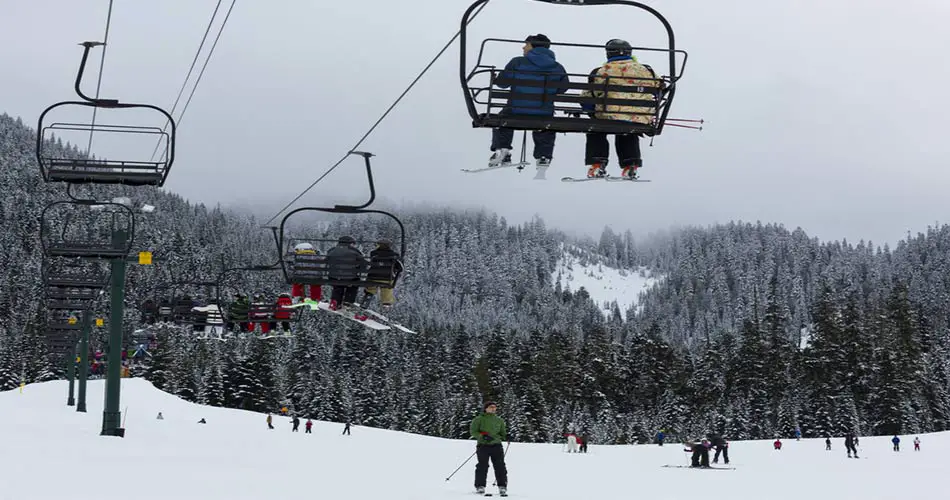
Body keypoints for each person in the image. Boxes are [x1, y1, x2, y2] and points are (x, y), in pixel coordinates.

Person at [579, 39, 660, 180]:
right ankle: (630, 166)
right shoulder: (647, 70)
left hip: (609, 116)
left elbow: (588, 96)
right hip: (640, 117)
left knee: (596, 130)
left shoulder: (602, 71)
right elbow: (660, 88)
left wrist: (590, 111)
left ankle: (598, 164)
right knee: (628, 130)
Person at [487, 34, 568, 170]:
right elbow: (563, 88)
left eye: (526, 44)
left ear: (533, 46)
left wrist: (496, 78)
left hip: (515, 110)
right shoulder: (557, 67)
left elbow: (502, 84)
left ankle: (502, 149)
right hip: (544, 111)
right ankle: (543, 156)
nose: (523, 47)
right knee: (546, 124)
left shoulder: (517, 62)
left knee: (502, 119)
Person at [471, 401, 508, 496]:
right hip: (483, 446)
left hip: (497, 446)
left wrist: (507, 436)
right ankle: (480, 486)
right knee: (482, 466)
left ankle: (502, 486)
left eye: (495, 407)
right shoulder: (478, 419)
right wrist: (482, 436)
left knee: (500, 466)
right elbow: (473, 431)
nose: (493, 409)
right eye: (491, 407)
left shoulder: (499, 420)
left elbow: (502, 433)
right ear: (486, 408)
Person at [360, 238, 404, 310]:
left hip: (373, 278)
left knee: (371, 286)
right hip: (387, 278)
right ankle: (386, 302)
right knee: (387, 287)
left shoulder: (373, 254)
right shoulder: (394, 255)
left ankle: (368, 296)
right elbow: (400, 268)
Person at [327, 236, 364, 310]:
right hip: (350, 278)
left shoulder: (331, 250)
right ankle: (348, 301)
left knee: (338, 285)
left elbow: (326, 261)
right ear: (350, 243)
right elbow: (363, 264)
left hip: (334, 277)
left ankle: (335, 301)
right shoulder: (355, 251)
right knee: (354, 284)